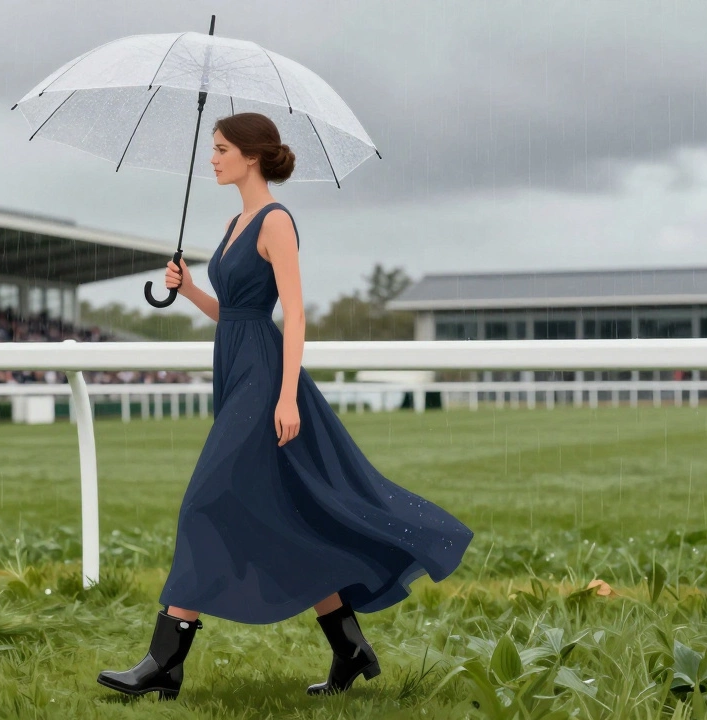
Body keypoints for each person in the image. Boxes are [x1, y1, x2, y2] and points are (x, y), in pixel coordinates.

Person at [96, 113, 473, 701]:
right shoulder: (231, 222)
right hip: (237, 368)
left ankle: (164, 662)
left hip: (265, 381)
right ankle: (349, 648)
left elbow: (293, 315)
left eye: (220, 150)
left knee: (203, 504)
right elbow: (236, 314)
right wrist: (190, 289)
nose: (212, 160)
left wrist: (288, 394)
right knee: (289, 514)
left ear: (250, 155)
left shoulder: (275, 222)